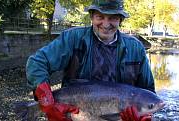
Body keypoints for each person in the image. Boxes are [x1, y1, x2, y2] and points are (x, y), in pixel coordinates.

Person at [26, 0, 155, 121]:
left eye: (113, 18)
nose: (106, 24)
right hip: (73, 116)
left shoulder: (136, 48)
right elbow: (37, 63)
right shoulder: (72, 38)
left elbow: (148, 93)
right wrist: (47, 103)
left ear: (120, 20)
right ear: (92, 17)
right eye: (100, 17)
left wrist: (144, 116)